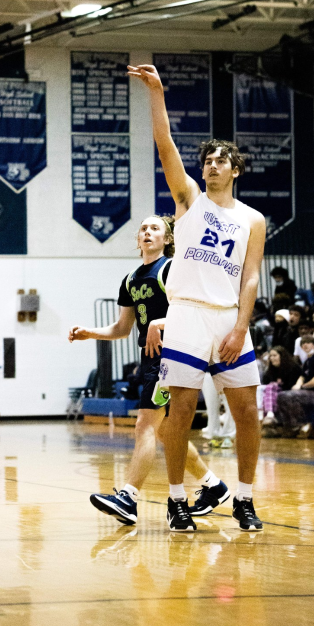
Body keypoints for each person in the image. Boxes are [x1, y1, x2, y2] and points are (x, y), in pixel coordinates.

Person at [130, 62, 266, 533]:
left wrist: (242, 327)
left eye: (220, 160)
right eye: (207, 159)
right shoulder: (188, 198)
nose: (211, 165)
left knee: (248, 411)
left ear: (235, 169)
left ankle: (245, 499)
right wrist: (157, 94)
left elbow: (250, 278)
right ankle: (175, 500)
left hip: (228, 319)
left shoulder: (253, 220)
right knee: (180, 412)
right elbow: (165, 144)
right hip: (186, 315)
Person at [69, 215, 229, 525]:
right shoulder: (130, 279)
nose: (147, 231)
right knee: (165, 431)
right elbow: (122, 327)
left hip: (174, 354)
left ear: (168, 239)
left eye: (155, 227)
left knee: (145, 424)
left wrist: (160, 324)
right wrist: (90, 332)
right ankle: (213, 485)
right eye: (143, 228)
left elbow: (195, 313)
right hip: (151, 359)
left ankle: (128, 497)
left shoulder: (171, 269)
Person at [275, 335, 314, 437]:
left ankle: (304, 424)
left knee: (291, 396)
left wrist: (301, 387)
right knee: (282, 395)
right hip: (310, 392)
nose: (305, 345)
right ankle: (292, 426)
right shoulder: (307, 361)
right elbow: (302, 376)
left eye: (308, 343)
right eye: (303, 343)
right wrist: (297, 385)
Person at [260, 346, 302, 433]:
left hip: (290, 391)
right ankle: (263, 415)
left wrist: (278, 384)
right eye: (270, 356)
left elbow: (291, 385)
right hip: (272, 393)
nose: (272, 358)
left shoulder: (293, 367)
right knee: (263, 388)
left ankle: (269, 414)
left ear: (281, 356)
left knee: (271, 387)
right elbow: (265, 382)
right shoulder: (270, 370)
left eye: (274, 355)